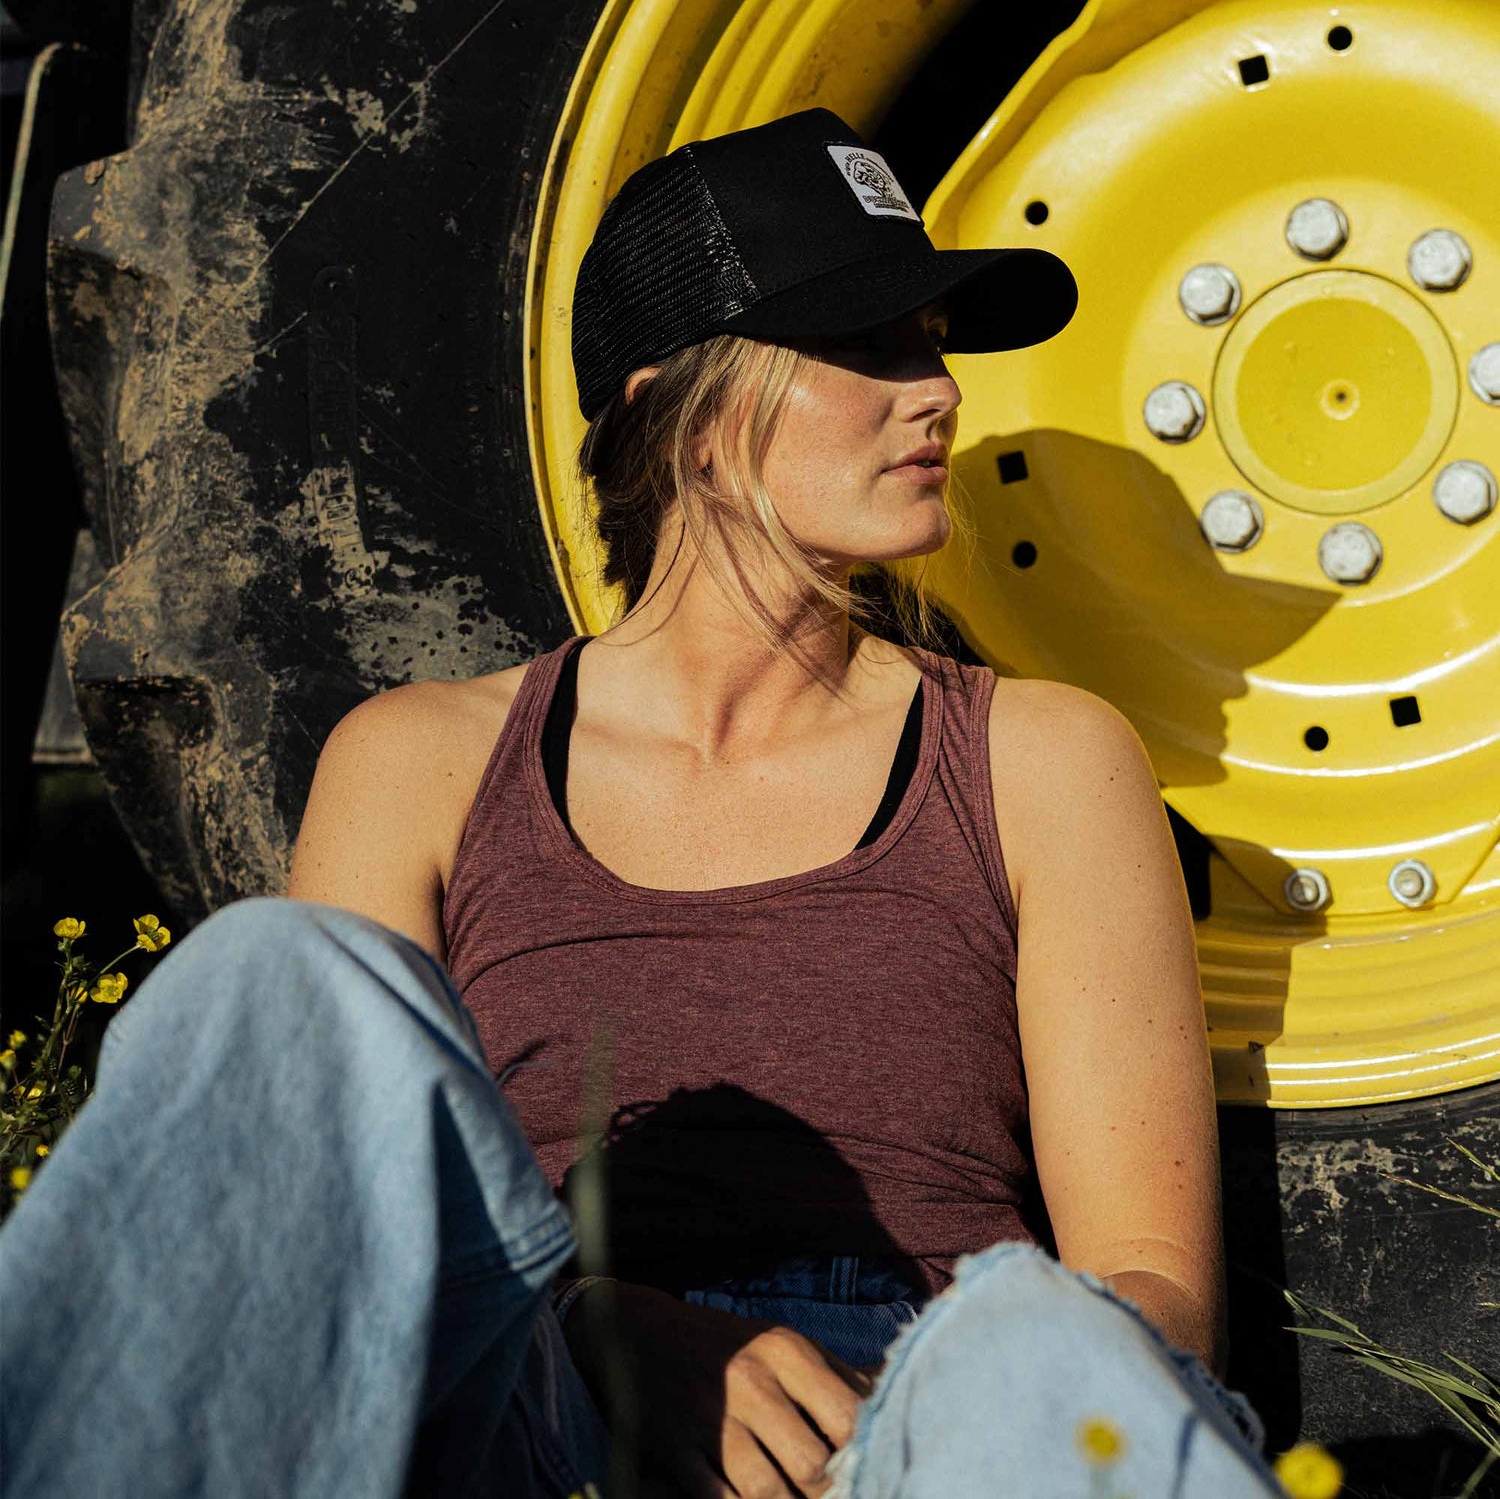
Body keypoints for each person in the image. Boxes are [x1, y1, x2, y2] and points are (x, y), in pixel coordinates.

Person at [0, 110, 1285, 1498]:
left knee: (1042, 1323)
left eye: (932, 338)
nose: (941, 392)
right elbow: (343, 1219)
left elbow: (1150, 1281)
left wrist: (980, 1378)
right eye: (871, 343)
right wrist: (600, 1334)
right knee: (270, 972)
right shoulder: (421, 760)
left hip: (917, 1409)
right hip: (537, 1390)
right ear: (683, 409)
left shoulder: (1038, 756)